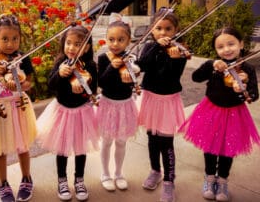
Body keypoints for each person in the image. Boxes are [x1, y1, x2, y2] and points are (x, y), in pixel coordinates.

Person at [179, 27, 259, 202]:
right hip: (211, 110)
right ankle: (209, 178)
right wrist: (212, 66)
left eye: (231, 44)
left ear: (241, 44)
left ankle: (222, 180)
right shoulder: (213, 65)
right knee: (210, 147)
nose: (227, 49)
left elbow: (254, 95)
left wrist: (242, 90)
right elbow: (195, 78)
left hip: (235, 114)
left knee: (227, 149)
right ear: (216, 50)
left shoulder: (247, 69)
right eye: (221, 47)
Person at [0, 14, 36, 202]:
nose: (10, 44)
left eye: (15, 39)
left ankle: (26, 178)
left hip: (18, 107)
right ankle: (3, 183)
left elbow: (30, 84)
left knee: (23, 147)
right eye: (5, 39)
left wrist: (21, 83)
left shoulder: (22, 57)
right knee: (0, 150)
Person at [37, 25, 99, 201]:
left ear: (86, 47)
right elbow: (51, 85)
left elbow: (92, 91)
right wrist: (60, 74)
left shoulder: (90, 66)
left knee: (81, 149)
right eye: (68, 43)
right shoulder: (60, 63)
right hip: (62, 112)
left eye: (77, 44)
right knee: (62, 149)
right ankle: (62, 180)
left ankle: (79, 180)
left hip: (82, 113)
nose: (71, 48)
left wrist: (84, 88)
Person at [136, 12, 188, 202]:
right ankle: (155, 171)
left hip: (167, 101)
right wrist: (156, 47)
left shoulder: (179, 51)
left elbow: (170, 77)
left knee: (166, 143)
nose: (163, 32)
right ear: (152, 29)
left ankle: (169, 181)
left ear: (176, 30)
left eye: (168, 29)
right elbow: (142, 65)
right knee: (152, 139)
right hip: (150, 98)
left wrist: (174, 59)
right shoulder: (150, 46)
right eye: (158, 28)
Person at [97, 20, 139, 191]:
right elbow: (102, 83)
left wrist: (134, 72)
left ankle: (119, 173)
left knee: (121, 142)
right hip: (108, 104)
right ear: (106, 40)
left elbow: (133, 82)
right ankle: (105, 173)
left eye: (121, 40)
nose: (115, 44)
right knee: (106, 141)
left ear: (128, 41)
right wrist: (112, 68)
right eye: (111, 39)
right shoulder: (102, 58)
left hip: (125, 105)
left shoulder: (130, 58)